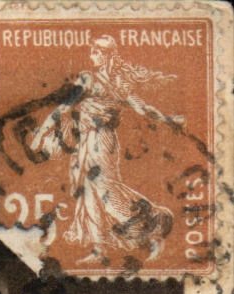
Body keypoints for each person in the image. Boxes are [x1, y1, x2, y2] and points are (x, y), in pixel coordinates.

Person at [28, 35, 184, 263]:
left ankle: (143, 222)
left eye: (95, 52)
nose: (91, 56)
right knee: (90, 189)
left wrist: (41, 135)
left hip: (98, 140)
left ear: (103, 54)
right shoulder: (115, 83)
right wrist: (169, 120)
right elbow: (144, 109)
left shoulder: (90, 79)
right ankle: (99, 246)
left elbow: (64, 107)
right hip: (94, 140)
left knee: (104, 189)